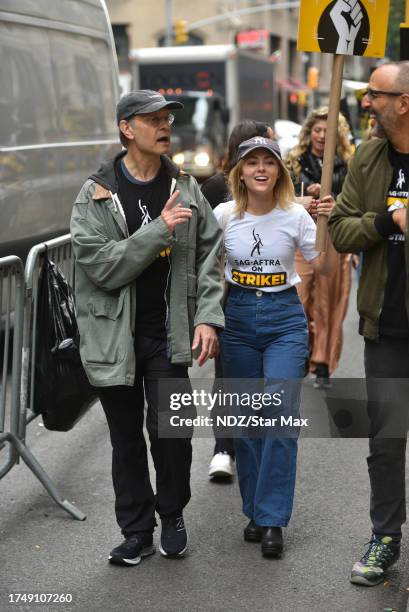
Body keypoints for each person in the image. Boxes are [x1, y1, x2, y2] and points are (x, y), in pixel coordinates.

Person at [70, 90, 224, 566]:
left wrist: (207, 316)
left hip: (168, 334)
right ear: (126, 128)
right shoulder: (95, 194)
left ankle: (172, 512)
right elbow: (102, 267)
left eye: (166, 120)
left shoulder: (185, 187)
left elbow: (210, 256)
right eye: (152, 119)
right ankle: (135, 530)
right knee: (127, 442)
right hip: (113, 338)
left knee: (173, 435)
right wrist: (158, 229)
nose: (164, 127)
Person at [214, 136, 336, 557]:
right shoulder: (223, 216)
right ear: (240, 172)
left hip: (285, 319)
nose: (261, 169)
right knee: (247, 421)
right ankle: (254, 509)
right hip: (239, 319)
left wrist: (327, 226)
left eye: (269, 162)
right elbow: (209, 272)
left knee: (281, 416)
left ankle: (271, 520)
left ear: (280, 172)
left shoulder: (296, 217)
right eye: (252, 163)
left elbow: (324, 267)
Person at [328, 61, 409, 586]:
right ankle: (385, 538)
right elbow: (339, 227)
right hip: (388, 329)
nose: (365, 104)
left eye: (374, 95)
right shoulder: (369, 157)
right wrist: (387, 221)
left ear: (403, 102)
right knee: (386, 442)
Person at [201, 120, 275, 480]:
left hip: (270, 297)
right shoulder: (216, 187)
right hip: (229, 295)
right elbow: (205, 250)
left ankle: (252, 447)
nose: (267, 161)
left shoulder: (277, 187)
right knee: (227, 375)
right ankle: (223, 448)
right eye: (259, 151)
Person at [286, 108, 354, 387]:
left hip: (334, 239)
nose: (321, 136)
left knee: (327, 305)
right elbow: (280, 198)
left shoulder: (350, 164)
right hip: (300, 240)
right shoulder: (294, 162)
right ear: (309, 131)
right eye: (317, 130)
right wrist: (302, 197)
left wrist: (334, 202)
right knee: (296, 300)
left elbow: (356, 205)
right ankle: (300, 352)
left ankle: (322, 363)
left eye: (328, 131)